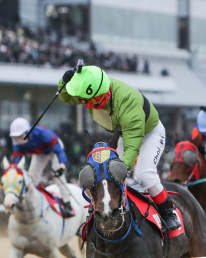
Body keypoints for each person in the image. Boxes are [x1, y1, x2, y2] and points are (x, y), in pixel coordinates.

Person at [58, 64, 181, 230]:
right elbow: (67, 97)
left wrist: (120, 169)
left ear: (103, 95)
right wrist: (65, 83)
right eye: (84, 101)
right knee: (102, 174)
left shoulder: (127, 103)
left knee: (143, 174)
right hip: (124, 133)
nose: (87, 105)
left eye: (91, 101)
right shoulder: (93, 94)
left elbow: (132, 147)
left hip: (149, 134)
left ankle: (168, 212)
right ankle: (96, 211)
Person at [9, 117, 74, 217]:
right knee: (32, 178)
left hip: (54, 149)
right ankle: (29, 204)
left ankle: (67, 204)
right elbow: (17, 162)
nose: (18, 140)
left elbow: (58, 150)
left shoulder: (43, 134)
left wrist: (62, 164)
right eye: (15, 138)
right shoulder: (18, 144)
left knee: (58, 176)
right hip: (39, 153)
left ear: (28, 132)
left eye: (20, 136)